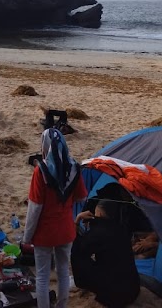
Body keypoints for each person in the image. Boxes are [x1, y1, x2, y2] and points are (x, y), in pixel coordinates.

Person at [23, 128, 88, 308]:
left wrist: (27, 237)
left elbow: (35, 208)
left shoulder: (41, 171)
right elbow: (82, 197)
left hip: (44, 232)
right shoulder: (74, 167)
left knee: (42, 276)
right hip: (66, 230)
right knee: (63, 272)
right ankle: (62, 305)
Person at [71, 199, 140, 307]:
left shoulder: (99, 231)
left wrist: (77, 219)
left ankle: (83, 284)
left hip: (114, 296)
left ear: (100, 213)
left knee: (79, 256)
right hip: (133, 289)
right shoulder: (121, 228)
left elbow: (79, 249)